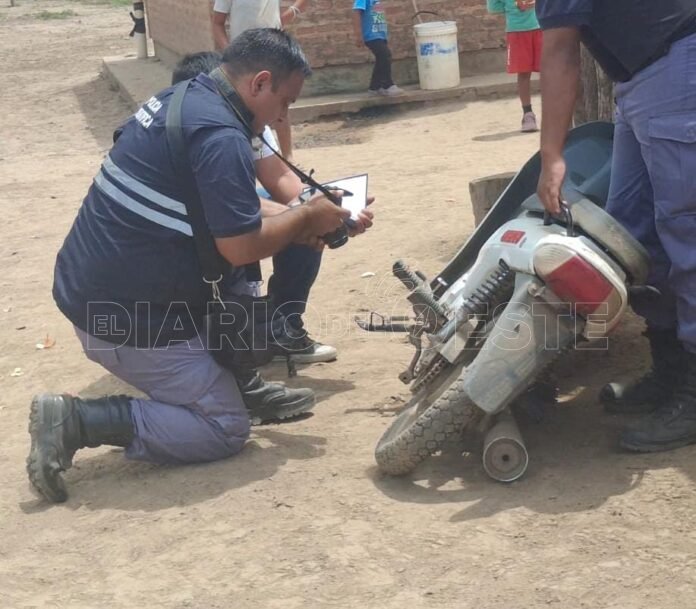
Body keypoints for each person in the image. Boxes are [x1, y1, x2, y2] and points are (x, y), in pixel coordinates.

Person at [27, 29, 374, 503]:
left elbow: (229, 209)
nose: (282, 117)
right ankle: (77, 420)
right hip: (124, 320)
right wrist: (304, 219)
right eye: (284, 103)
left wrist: (309, 216)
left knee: (268, 253)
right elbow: (241, 246)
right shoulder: (220, 135)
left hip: (98, 292)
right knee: (224, 427)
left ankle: (235, 379)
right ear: (260, 83)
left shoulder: (184, 99)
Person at [535, 0, 696, 452]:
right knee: (632, 233)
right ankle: (673, 369)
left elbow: (561, 51)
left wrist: (552, 155)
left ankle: (694, 393)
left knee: (687, 233)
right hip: (641, 78)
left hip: (677, 65)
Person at [173, 51, 338, 365]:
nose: (282, 116)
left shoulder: (245, 116)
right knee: (290, 221)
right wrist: (303, 216)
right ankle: (223, 330)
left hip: (232, 205)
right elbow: (214, 201)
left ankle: (281, 324)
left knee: (302, 217)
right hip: (187, 224)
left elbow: (281, 178)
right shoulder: (201, 130)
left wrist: (324, 207)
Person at [211, 1, 308, 160]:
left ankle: (287, 158)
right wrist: (231, 54)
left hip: (273, 53)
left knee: (279, 104)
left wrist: (289, 14)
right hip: (244, 60)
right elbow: (217, 23)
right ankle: (249, 157)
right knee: (243, 107)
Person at [486, 0, 541, 132]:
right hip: (517, 31)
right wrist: (513, 5)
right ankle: (528, 114)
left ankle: (553, 112)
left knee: (548, 71)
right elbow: (493, 7)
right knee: (524, 73)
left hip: (541, 26)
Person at [352, 0, 403, 97]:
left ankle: (374, 87)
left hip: (380, 35)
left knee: (381, 59)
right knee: (385, 55)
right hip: (371, 35)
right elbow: (356, 13)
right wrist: (358, 35)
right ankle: (387, 85)